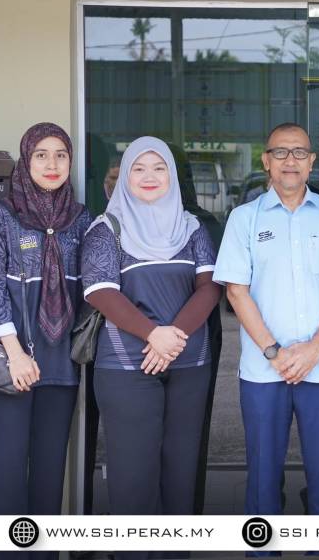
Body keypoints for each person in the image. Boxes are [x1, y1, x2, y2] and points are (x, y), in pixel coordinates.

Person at [213, 122, 319, 534]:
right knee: (262, 474)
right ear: (266, 161)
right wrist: (275, 352)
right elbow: (236, 291)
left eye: (299, 152)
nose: (290, 160)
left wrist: (314, 349)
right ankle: (262, 547)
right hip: (263, 370)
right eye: (280, 152)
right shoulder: (243, 219)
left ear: (311, 161)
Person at [81, 137, 221, 535]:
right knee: (133, 475)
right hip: (127, 366)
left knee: (180, 472)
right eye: (138, 168)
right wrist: (153, 335)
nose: (149, 176)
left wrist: (172, 337)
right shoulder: (107, 228)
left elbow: (210, 287)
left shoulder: (191, 227)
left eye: (159, 168)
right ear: (125, 176)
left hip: (189, 361)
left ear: (172, 176)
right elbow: (99, 291)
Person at [0, 123, 92, 549]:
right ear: (26, 159)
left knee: (50, 479)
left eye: (61, 155)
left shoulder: (81, 219)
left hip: (61, 364)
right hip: (12, 366)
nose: (52, 164)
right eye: (41, 155)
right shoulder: (3, 216)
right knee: (6, 477)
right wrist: (15, 354)